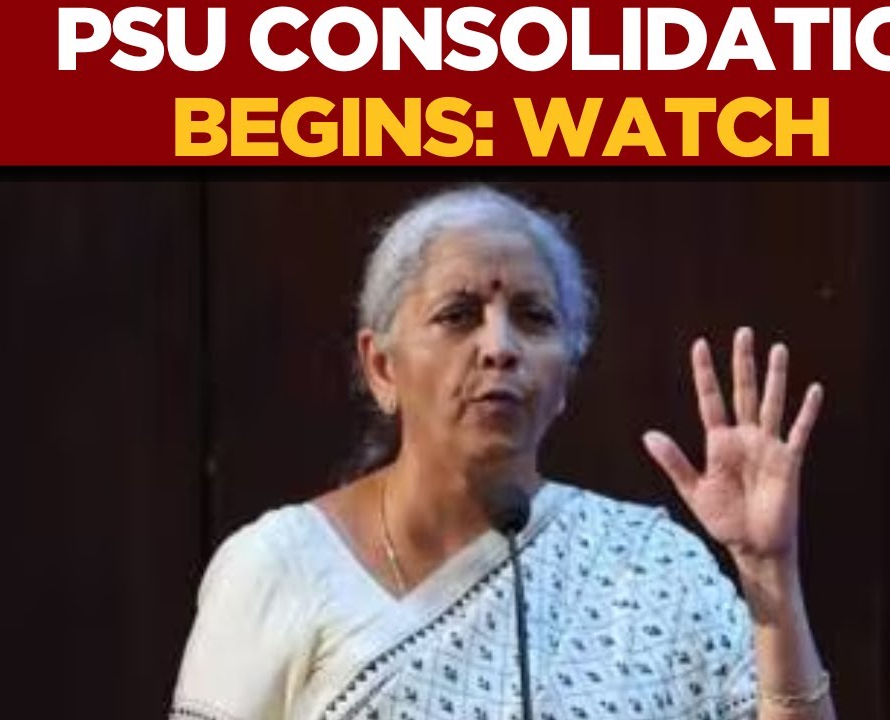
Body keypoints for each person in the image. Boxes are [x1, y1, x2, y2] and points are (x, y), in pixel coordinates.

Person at [170, 186, 836, 720]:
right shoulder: (280, 568)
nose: (500, 347)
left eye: (534, 317)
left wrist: (770, 576)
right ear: (381, 367)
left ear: (565, 377)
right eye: (458, 314)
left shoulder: (651, 567)